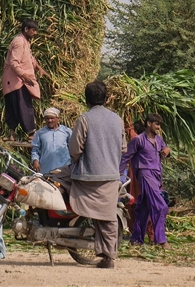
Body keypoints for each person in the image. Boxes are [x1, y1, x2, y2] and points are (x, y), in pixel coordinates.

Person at [69, 81, 128, 269]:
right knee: (108, 217)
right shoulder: (117, 119)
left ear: (86, 99)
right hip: (111, 177)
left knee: (57, 177)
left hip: (86, 178)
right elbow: (124, 148)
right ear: (107, 98)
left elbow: (75, 149)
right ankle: (109, 256)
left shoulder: (84, 119)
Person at [119, 113, 170, 248]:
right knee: (161, 206)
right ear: (149, 124)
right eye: (156, 124)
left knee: (143, 208)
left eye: (160, 125)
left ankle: (136, 239)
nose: (158, 127)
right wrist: (118, 174)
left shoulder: (159, 140)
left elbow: (166, 149)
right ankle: (161, 240)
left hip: (157, 176)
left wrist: (167, 151)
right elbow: (126, 157)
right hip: (144, 174)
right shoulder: (139, 140)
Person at [1, 18, 48, 141]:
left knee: (13, 107)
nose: (35, 33)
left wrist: (38, 68)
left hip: (16, 81)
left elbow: (30, 58)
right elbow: (14, 62)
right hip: (16, 81)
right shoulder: (19, 42)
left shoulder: (25, 42)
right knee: (23, 106)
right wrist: (24, 75)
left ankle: (12, 134)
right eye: (33, 30)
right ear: (26, 29)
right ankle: (31, 134)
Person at [31, 107, 72, 174]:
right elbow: (35, 149)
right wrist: (35, 160)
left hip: (64, 168)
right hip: (46, 168)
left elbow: (73, 148)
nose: (49, 120)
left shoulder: (66, 131)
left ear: (58, 119)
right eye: (47, 118)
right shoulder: (40, 133)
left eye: (52, 118)